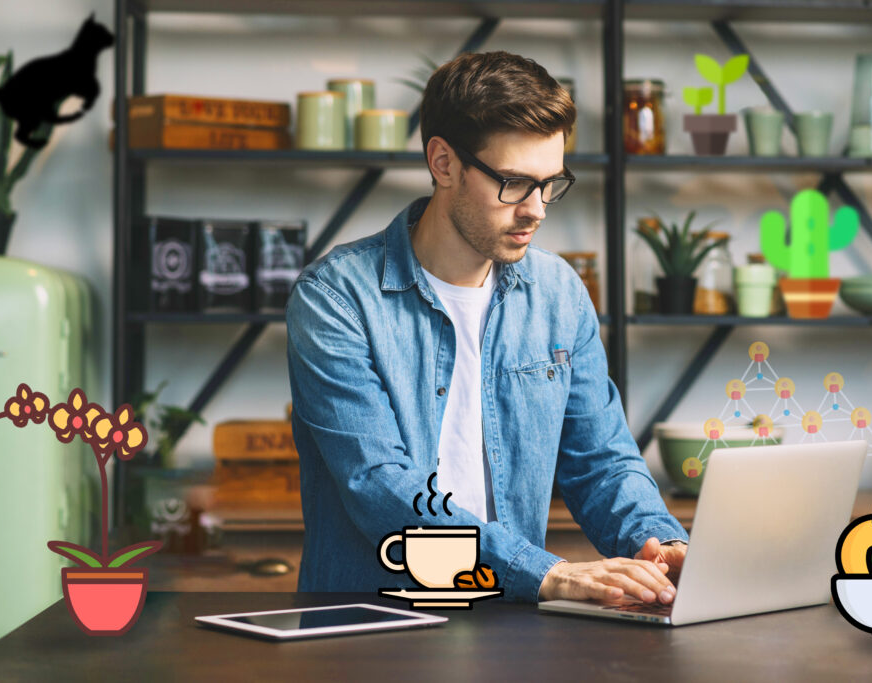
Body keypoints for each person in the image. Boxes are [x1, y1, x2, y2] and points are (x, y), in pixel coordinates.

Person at [286, 50, 688, 605]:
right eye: (515, 183)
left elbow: (601, 459)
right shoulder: (336, 298)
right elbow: (377, 485)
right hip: (374, 624)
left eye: (551, 183)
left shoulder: (559, 294)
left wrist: (661, 547)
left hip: (512, 622)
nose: (537, 210)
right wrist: (543, 572)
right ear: (443, 162)